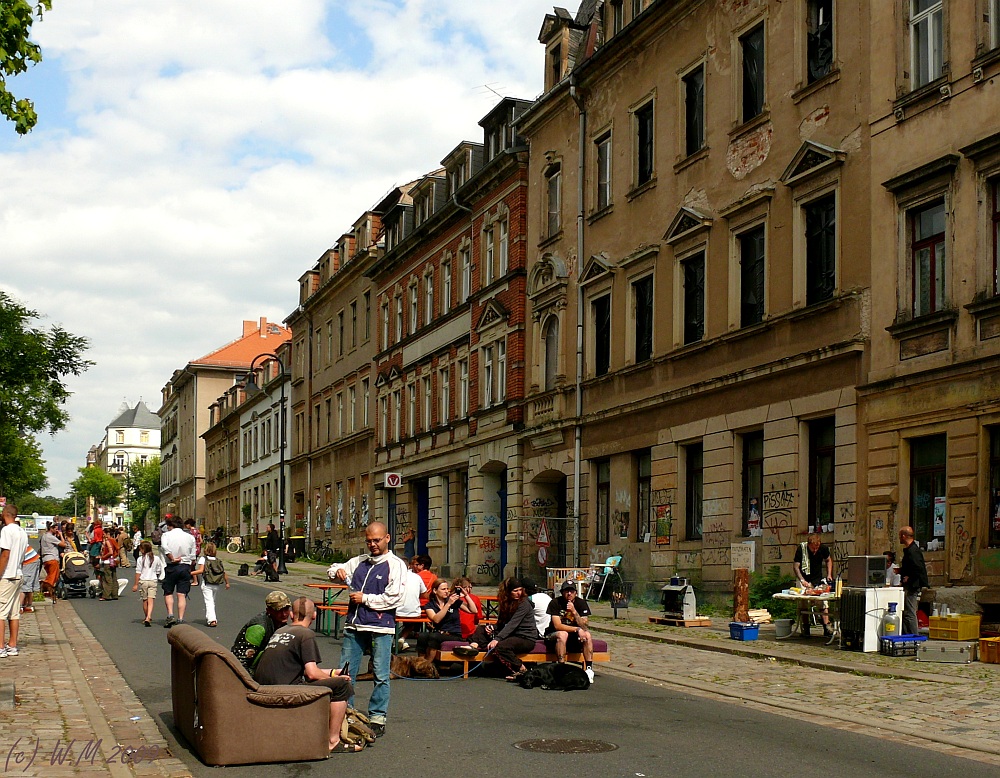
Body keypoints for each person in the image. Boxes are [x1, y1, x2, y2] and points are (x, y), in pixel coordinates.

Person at [253, 597, 361, 754]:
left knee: (336, 680)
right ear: (315, 616)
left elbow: (301, 668)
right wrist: (337, 679)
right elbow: (311, 673)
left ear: (291, 615)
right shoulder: (306, 634)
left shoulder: (281, 631)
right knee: (343, 686)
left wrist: (332, 673)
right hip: (285, 689)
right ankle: (333, 740)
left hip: (264, 686)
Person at [332, 521, 407, 737]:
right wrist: (336, 571)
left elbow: (394, 598)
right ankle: (348, 712)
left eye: (376, 540)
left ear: (387, 538)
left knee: (381, 674)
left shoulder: (396, 565)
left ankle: (377, 717)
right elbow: (337, 569)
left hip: (381, 627)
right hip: (354, 625)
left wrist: (364, 598)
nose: (372, 544)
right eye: (368, 541)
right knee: (346, 673)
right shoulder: (360, 561)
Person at [456, 577, 540, 682]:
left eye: (520, 590)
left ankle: (521, 669)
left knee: (501, 646)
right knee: (481, 630)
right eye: (515, 591)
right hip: (510, 634)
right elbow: (501, 623)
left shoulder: (524, 604)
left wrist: (497, 638)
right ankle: (473, 647)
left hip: (525, 637)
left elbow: (512, 624)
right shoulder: (505, 602)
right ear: (508, 592)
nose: (519, 593)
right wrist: (492, 628)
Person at [545, 580, 595, 682]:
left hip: (573, 637)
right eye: (566, 591)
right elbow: (557, 626)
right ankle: (561, 668)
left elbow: (585, 625)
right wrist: (577, 629)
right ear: (562, 592)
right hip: (554, 635)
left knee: (587, 635)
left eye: (571, 591)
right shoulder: (555, 603)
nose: (569, 594)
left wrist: (574, 612)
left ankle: (589, 669)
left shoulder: (581, 603)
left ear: (575, 592)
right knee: (563, 634)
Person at [231, 590, 293, 671]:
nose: (284, 614)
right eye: (279, 611)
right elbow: (241, 661)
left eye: (286, 609)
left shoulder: (280, 623)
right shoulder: (258, 628)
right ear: (269, 610)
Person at [0, 502, 29, 657]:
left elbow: (5, 553)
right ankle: (12, 645)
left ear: (6, 514)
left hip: (7, 574)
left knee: (0, 611)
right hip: (18, 573)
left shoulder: (6, 530)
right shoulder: (22, 532)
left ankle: (0, 647)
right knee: (14, 612)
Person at [793, 532, 834, 637]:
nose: (815, 550)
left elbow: (828, 560)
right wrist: (802, 580)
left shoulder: (823, 548)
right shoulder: (801, 549)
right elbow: (796, 566)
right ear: (808, 545)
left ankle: (826, 627)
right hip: (804, 577)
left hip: (817, 578)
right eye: (813, 549)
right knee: (803, 602)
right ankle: (806, 627)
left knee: (823, 602)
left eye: (817, 548)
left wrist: (829, 574)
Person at [159, 515, 197, 626]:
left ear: (171, 525)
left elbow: (165, 548)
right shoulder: (190, 537)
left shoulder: (166, 535)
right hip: (185, 566)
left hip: (172, 566)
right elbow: (193, 556)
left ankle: (170, 615)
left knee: (168, 592)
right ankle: (180, 618)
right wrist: (188, 565)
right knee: (181, 594)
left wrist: (172, 558)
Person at [417, 578, 464, 663]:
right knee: (422, 636)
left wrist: (466, 595)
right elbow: (436, 619)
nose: (446, 591)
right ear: (435, 591)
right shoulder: (430, 605)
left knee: (434, 637)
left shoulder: (453, 602)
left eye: (447, 589)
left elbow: (473, 610)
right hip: (440, 632)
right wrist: (448, 604)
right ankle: (420, 663)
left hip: (453, 634)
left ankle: (427, 665)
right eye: (443, 589)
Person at [899, 526, 929, 635]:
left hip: (913, 585)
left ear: (904, 536)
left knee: (910, 613)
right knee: (907, 612)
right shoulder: (910, 550)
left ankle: (914, 637)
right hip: (911, 584)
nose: (899, 538)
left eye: (900, 536)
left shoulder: (913, 551)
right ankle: (908, 635)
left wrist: (909, 578)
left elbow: (919, 568)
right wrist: (902, 571)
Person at [192, 541, 229, 627]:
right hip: (216, 584)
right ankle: (210, 617)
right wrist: (227, 583)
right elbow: (223, 572)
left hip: (207, 583)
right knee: (212, 601)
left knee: (209, 602)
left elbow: (201, 570)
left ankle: (212, 620)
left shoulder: (203, 559)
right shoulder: (218, 560)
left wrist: (190, 573)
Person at [395, 564, 427, 652]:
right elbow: (425, 595)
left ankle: (395, 640)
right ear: (408, 566)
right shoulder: (417, 577)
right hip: (414, 612)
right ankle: (402, 638)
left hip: (396, 612)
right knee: (411, 622)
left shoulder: (393, 576)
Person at [132, 541, 163, 626]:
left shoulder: (140, 559)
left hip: (143, 581)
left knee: (144, 600)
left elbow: (138, 572)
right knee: (151, 600)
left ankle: (146, 616)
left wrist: (135, 584)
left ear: (142, 550)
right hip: (153, 580)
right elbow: (158, 570)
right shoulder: (156, 558)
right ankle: (149, 616)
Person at [39, 522, 68, 599]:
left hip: (45, 559)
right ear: (51, 528)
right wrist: (61, 535)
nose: (57, 530)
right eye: (56, 528)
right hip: (52, 559)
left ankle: (45, 589)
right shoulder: (51, 537)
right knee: (53, 577)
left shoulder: (44, 536)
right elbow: (64, 544)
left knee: (49, 575)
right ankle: (46, 587)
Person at [98, 524, 120, 600]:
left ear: (107, 534)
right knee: (114, 578)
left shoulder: (108, 541)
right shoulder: (114, 540)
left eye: (103, 534)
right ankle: (115, 594)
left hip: (107, 561)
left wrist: (103, 557)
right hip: (113, 561)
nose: (103, 535)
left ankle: (106, 595)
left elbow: (110, 551)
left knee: (107, 579)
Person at [20, 541, 41, 613]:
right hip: (33, 557)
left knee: (24, 585)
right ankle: (28, 605)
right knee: (30, 584)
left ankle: (20, 607)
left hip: (29, 560)